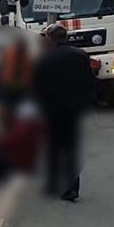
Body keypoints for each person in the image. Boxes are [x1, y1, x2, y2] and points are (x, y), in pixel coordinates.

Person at [33, 24, 95, 202]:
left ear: (49, 38)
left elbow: (37, 85)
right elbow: (89, 81)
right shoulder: (81, 55)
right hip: (74, 109)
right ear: (65, 37)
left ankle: (52, 184)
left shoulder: (43, 58)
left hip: (51, 109)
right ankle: (71, 188)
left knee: (52, 146)